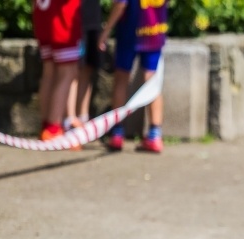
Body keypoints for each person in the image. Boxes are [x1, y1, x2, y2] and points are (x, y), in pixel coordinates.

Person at [99, 0, 168, 153]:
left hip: (130, 32)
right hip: (155, 31)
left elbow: (120, 4)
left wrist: (106, 30)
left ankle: (117, 133)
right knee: (152, 80)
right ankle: (154, 134)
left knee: (121, 79)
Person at [33, 0, 83, 145]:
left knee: (49, 71)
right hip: (63, 20)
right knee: (67, 72)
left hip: (43, 16)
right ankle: (53, 127)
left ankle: (47, 125)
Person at [64, 0, 104, 134]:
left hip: (93, 20)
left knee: (88, 68)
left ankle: (83, 118)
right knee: (73, 71)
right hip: (75, 20)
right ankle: (70, 121)